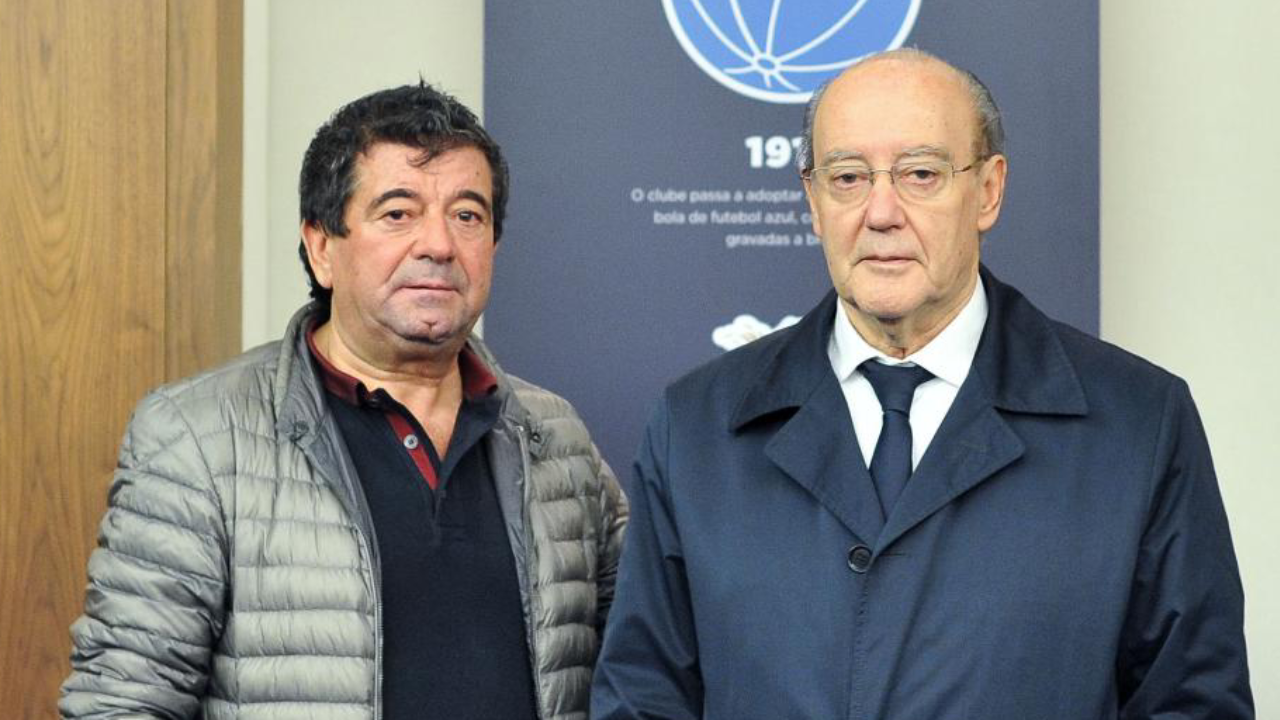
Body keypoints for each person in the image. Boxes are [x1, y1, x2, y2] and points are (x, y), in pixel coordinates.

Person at [591, 49, 1252, 719]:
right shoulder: (698, 426)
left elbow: (1193, 703)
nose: (881, 212)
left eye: (921, 174)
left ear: (988, 191)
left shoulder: (1137, 423)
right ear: (813, 200)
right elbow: (643, 699)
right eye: (848, 177)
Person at [61, 81, 627, 720]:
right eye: (398, 213)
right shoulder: (197, 437)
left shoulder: (555, 436)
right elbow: (122, 703)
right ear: (321, 247)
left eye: (468, 215)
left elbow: (652, 663)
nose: (439, 244)